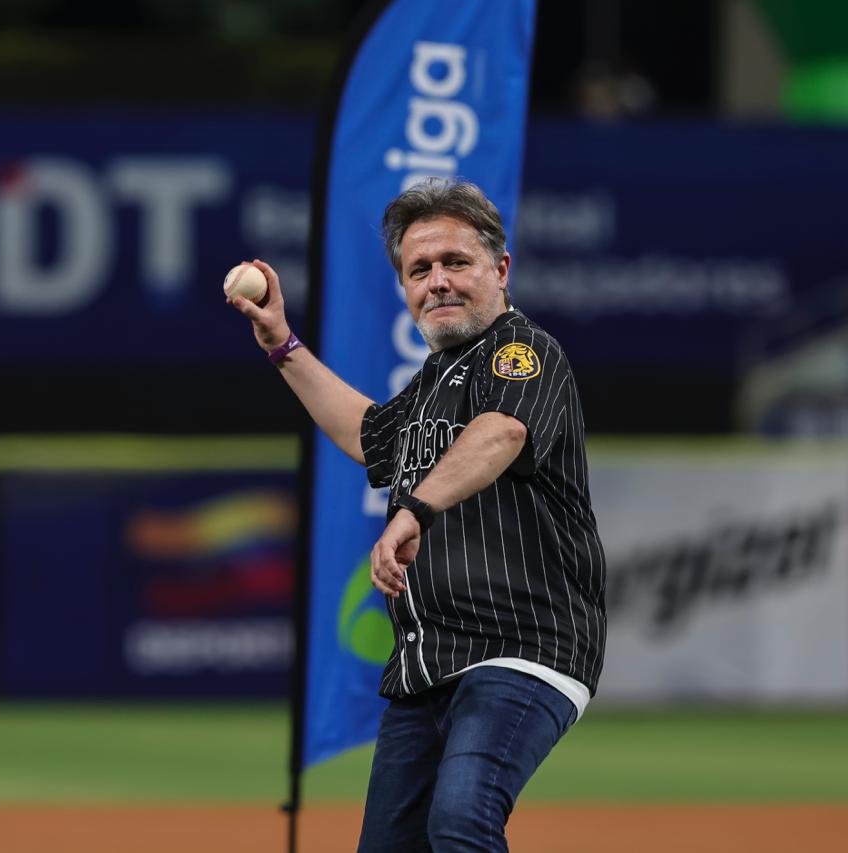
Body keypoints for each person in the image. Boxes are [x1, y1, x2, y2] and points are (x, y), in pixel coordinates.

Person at [228, 178, 606, 852]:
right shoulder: (433, 382)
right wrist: (282, 344)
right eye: (419, 268)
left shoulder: (524, 351)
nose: (437, 281)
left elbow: (502, 433)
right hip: (426, 665)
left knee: (462, 818)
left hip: (520, 650)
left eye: (456, 262)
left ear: (500, 268)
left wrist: (413, 510)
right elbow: (367, 434)